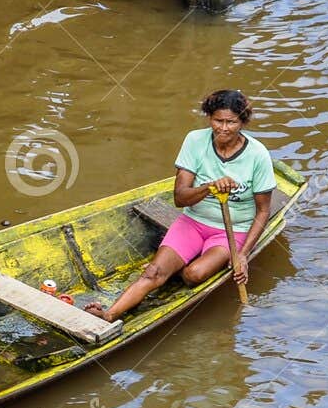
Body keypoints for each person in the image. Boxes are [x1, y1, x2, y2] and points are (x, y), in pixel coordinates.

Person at [87, 90, 275, 322]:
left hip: (231, 231)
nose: (223, 128)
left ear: (242, 122)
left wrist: (243, 255)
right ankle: (109, 315)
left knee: (193, 275)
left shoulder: (258, 155)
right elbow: (180, 198)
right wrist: (209, 187)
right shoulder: (195, 140)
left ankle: (180, 268)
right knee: (153, 272)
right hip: (193, 222)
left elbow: (264, 210)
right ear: (209, 118)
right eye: (218, 120)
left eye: (231, 122)